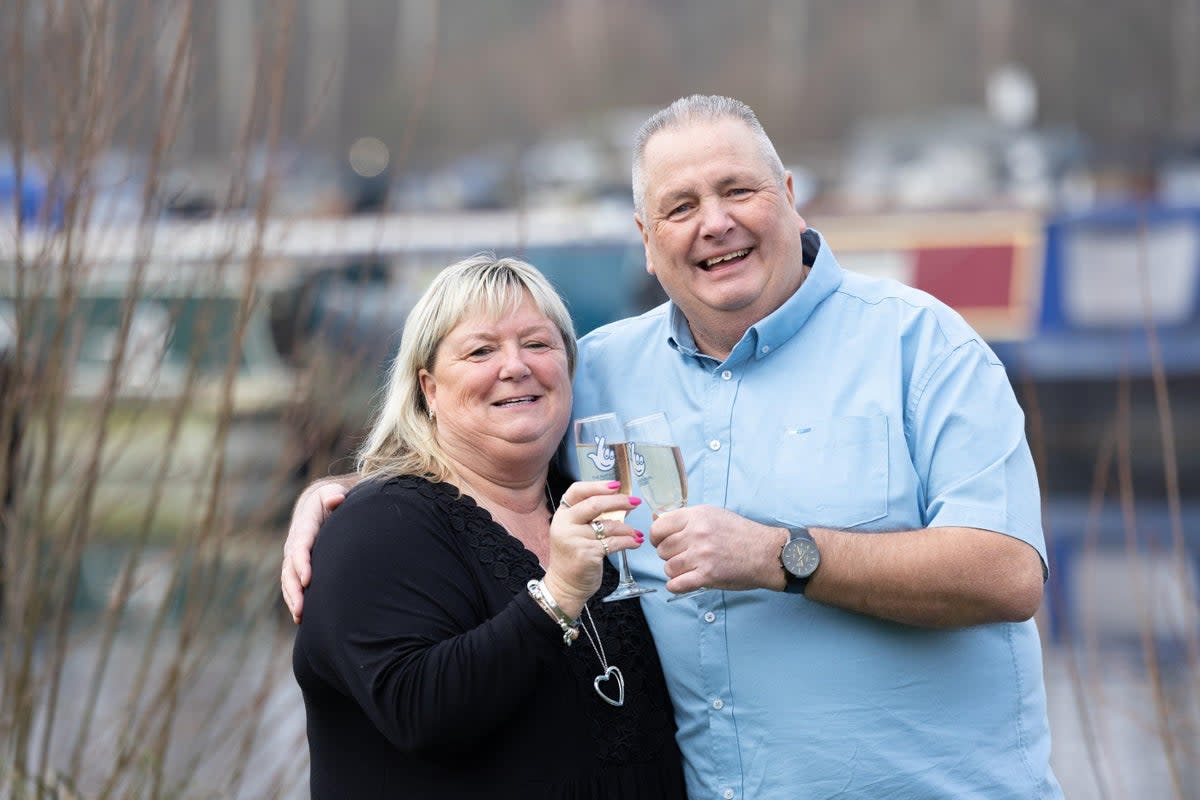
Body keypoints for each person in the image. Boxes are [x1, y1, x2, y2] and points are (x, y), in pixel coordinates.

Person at [284, 96, 1063, 799]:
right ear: (648, 242)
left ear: (789, 198)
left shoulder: (922, 347)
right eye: (680, 206)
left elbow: (1007, 572)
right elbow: (488, 462)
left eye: (737, 191)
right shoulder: (601, 374)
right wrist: (357, 506)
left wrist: (781, 555)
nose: (713, 223)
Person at [291, 254, 687, 799]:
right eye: (481, 350)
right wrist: (558, 596)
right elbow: (418, 712)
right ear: (428, 388)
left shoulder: (587, 500)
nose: (516, 366)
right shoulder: (378, 527)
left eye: (538, 344)